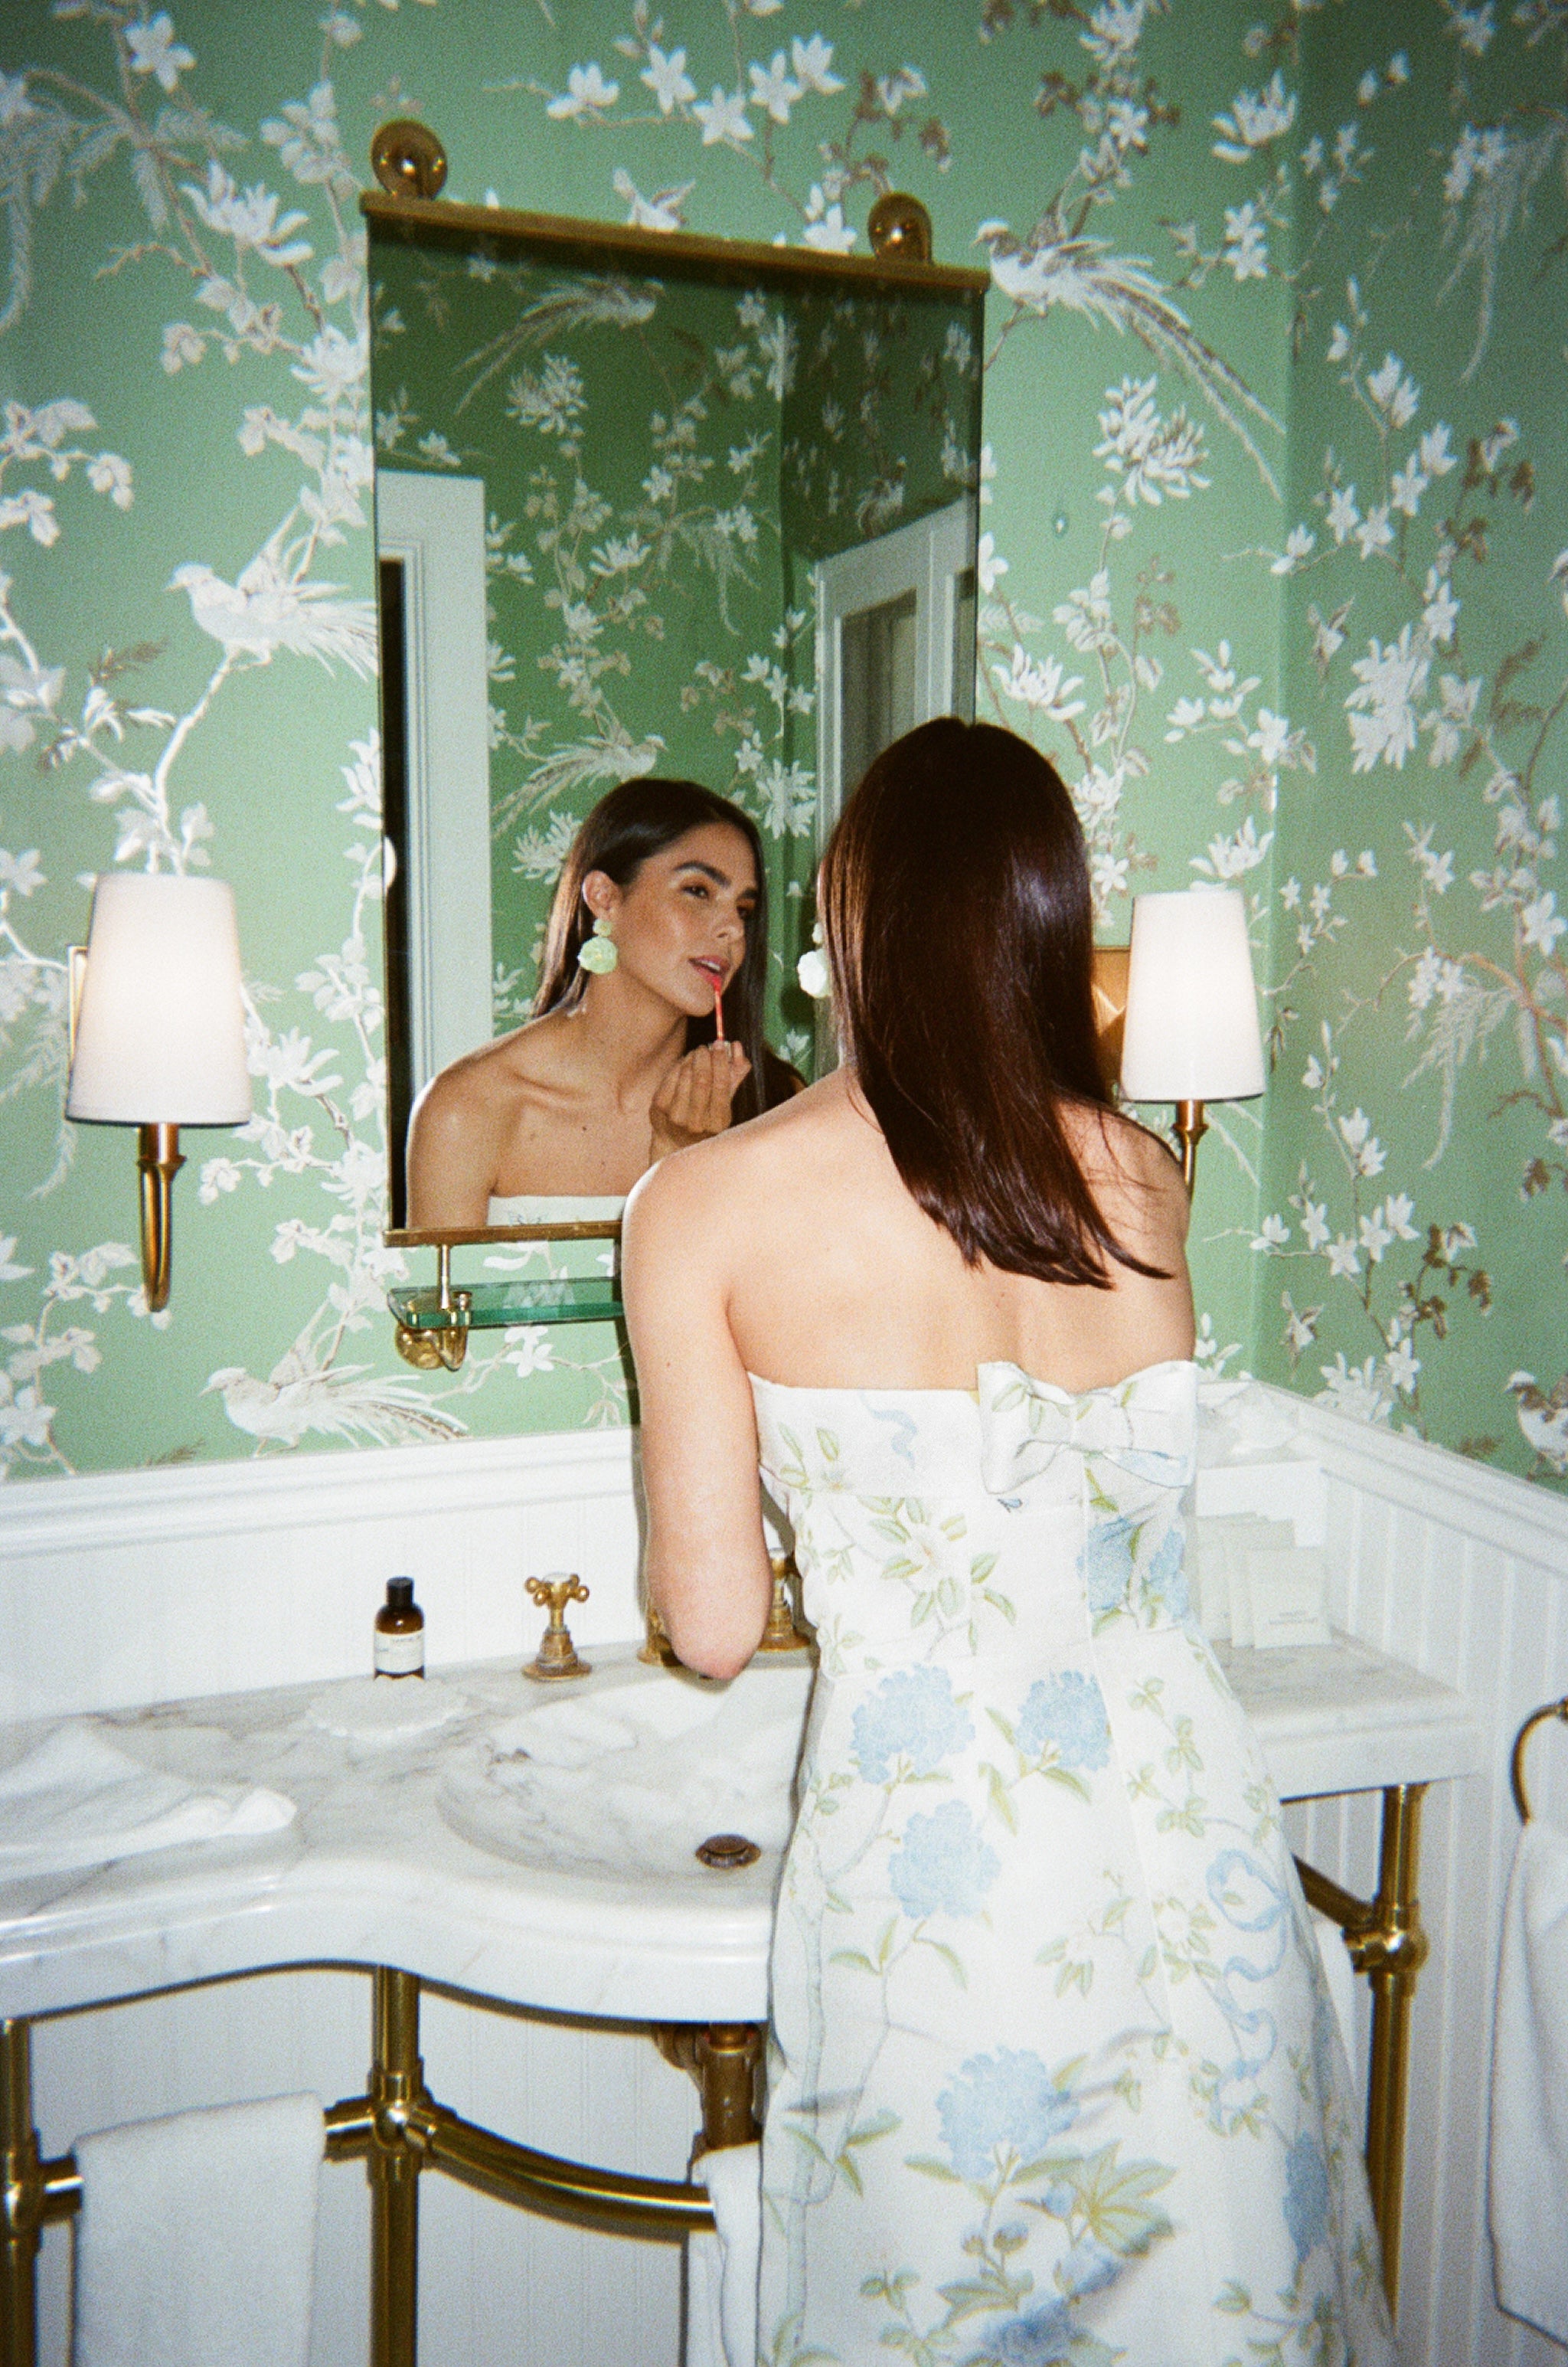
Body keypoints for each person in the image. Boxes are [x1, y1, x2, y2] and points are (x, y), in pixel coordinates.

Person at [622, 719, 1394, 2366]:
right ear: (1046, 918)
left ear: (846, 913)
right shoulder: (1143, 1175)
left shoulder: (703, 1203)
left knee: (948, 2303)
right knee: (1221, 2304)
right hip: (1190, 1843)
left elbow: (710, 1626)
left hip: (942, 1874)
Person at [406, 778, 799, 1227]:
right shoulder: (466, 1111)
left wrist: (682, 1160)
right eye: (698, 891)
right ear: (605, 898)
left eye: (743, 909)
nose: (733, 929)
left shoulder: (774, 1102)